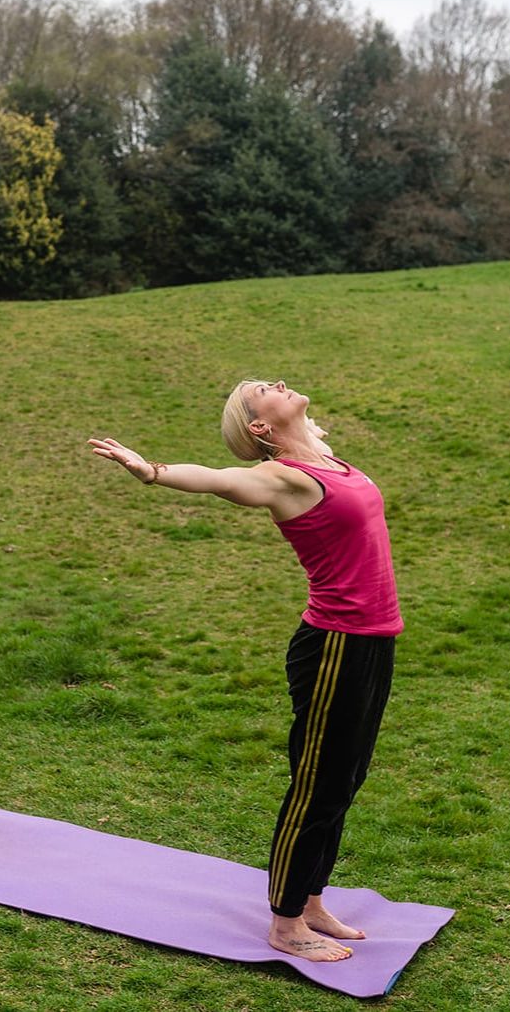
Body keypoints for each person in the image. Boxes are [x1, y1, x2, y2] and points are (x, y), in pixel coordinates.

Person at [88, 378, 402, 963]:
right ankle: (285, 924)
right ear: (259, 426)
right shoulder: (280, 478)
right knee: (317, 785)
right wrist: (152, 471)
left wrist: (303, 433)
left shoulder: (324, 458)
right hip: (334, 645)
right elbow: (218, 479)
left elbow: (303, 441)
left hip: (373, 641)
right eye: (265, 389)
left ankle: (310, 900)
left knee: (346, 778)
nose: (281, 383)